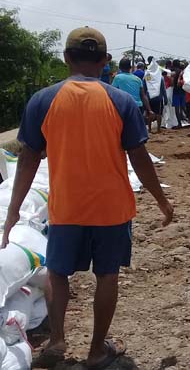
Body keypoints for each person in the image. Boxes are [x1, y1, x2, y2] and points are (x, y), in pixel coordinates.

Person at [1, 26, 174, 369]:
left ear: (66, 58)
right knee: (107, 275)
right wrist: (161, 200)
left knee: (58, 274)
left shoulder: (43, 100)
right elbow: (139, 158)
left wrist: (14, 212)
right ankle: (97, 351)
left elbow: (27, 160)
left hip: (66, 208)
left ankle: (58, 341)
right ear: (105, 61)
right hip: (111, 209)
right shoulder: (121, 101)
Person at [144, 62, 168, 133]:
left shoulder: (147, 76)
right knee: (158, 114)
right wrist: (165, 98)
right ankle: (158, 129)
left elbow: (144, 88)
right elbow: (163, 89)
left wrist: (144, 98)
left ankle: (150, 129)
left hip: (149, 98)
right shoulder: (160, 77)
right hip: (158, 98)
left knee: (150, 113)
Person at [171, 60, 187, 128]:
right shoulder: (183, 72)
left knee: (177, 109)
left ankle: (179, 124)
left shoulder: (173, 73)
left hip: (176, 92)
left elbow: (172, 84)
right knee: (184, 107)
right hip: (183, 91)